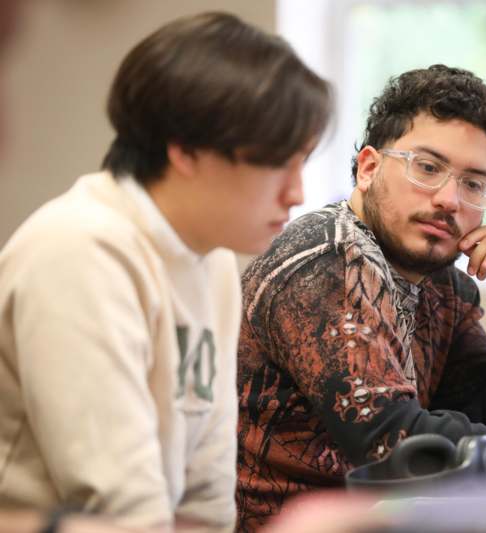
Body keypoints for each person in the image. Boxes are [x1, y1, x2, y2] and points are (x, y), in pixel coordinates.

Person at [0, 11, 331, 531]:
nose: (296, 193)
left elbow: (207, 493)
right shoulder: (81, 252)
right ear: (185, 149)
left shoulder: (211, 257)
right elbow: (122, 507)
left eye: (303, 163)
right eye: (276, 163)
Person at [236, 64, 486, 529]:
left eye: (473, 183)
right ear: (369, 168)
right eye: (428, 168)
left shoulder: (440, 283)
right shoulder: (328, 259)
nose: (449, 199)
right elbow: (391, 444)